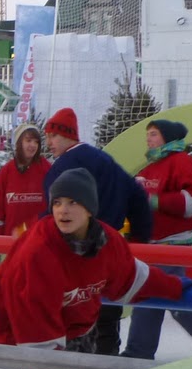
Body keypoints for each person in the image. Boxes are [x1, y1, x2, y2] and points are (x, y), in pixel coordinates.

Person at [0, 168, 185, 369]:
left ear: (89, 208)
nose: (63, 210)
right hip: (24, 335)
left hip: (78, 331)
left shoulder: (106, 241)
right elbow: (38, 342)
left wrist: (178, 288)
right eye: (57, 203)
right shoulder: (37, 254)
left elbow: (132, 275)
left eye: (73, 202)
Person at [41, 106, 153, 355]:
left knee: (77, 319)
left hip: (76, 257)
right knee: (107, 320)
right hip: (110, 251)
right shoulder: (105, 160)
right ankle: (107, 364)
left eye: (53, 136)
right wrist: (138, 239)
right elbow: (137, 195)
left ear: (69, 135)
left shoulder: (62, 168)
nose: (48, 142)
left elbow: (50, 216)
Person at [123, 119, 192, 358]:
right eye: (148, 134)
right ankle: (141, 349)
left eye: (153, 134)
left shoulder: (182, 162)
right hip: (151, 246)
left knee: (166, 293)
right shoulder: (151, 167)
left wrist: (153, 200)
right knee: (152, 294)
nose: (148, 139)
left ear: (168, 137)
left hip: (172, 244)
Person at [0, 123, 49, 240]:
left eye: (36, 142)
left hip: (40, 241)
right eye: (29, 140)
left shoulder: (46, 168)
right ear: (19, 142)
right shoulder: (6, 172)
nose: (33, 145)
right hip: (11, 243)